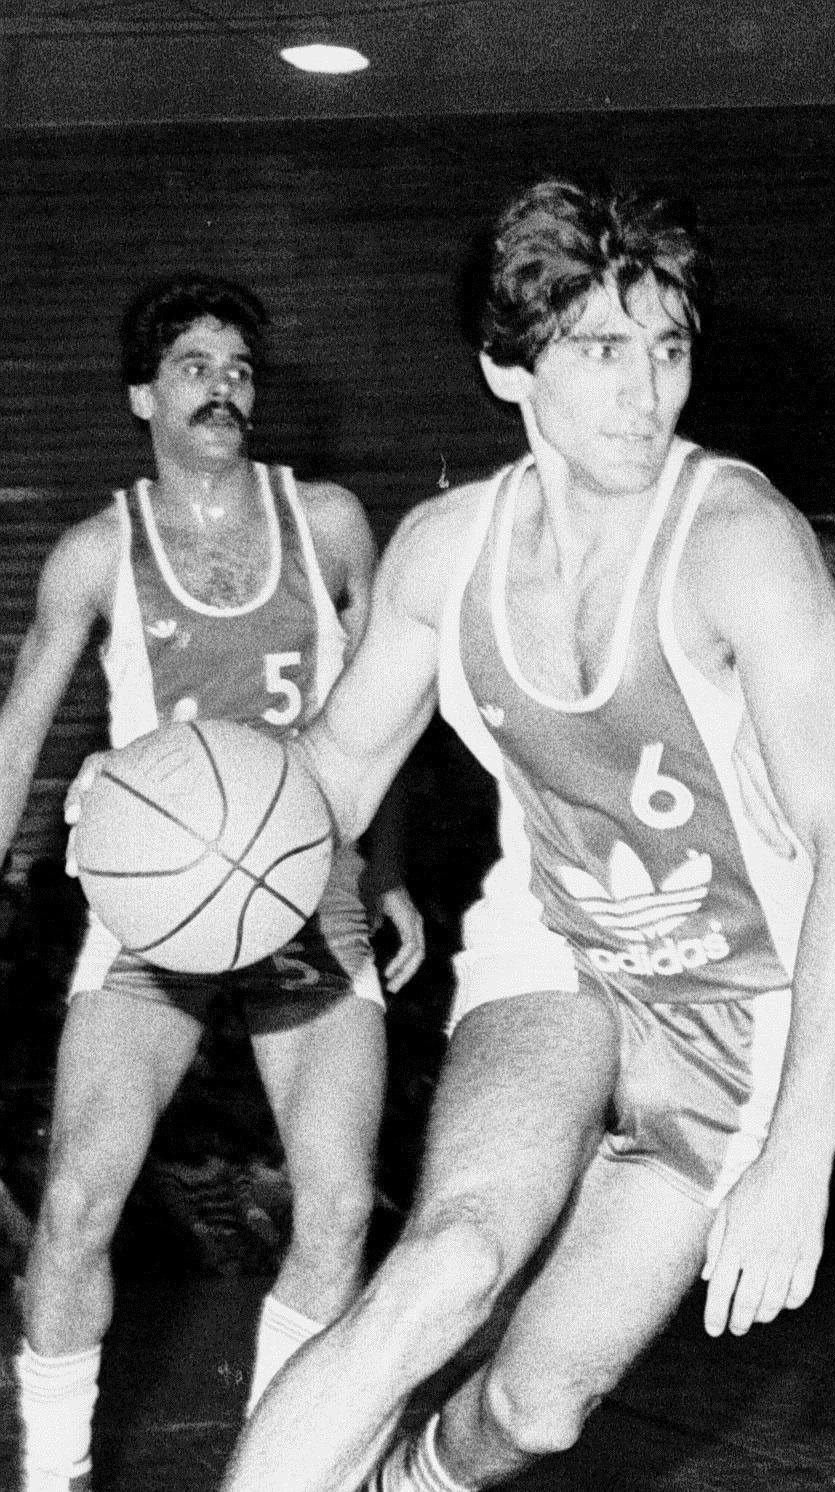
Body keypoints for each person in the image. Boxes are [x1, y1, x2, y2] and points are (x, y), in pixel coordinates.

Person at [215, 178, 835, 1492]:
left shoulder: (740, 542)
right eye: (599, 351)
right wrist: (182, 804)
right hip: (562, 954)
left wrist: (801, 1149)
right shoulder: (442, 555)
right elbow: (331, 778)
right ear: (507, 367)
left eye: (669, 349)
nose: (646, 394)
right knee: (446, 1263)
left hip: (745, 998)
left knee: (536, 1410)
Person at [6, 274, 425, 1492]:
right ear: (143, 395)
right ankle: (54, 1474)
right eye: (194, 367)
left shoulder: (330, 523)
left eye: (239, 369)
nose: (222, 388)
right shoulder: (98, 552)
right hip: (156, 903)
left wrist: (391, 872)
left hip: (307, 887)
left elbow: (395, 708)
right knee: (78, 1200)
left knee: (337, 1207)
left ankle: (282, 1469)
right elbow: (19, 734)